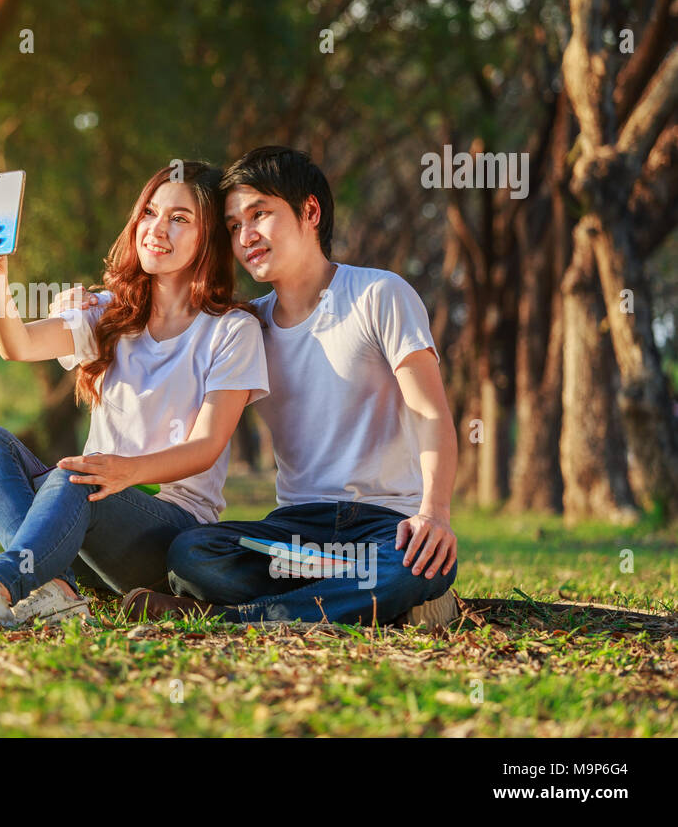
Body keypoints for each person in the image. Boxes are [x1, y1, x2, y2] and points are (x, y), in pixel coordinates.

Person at [68, 147, 460, 627]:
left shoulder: (379, 294)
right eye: (233, 226)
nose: (245, 235)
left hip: (385, 524)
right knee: (193, 553)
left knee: (414, 565)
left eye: (260, 215)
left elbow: (430, 413)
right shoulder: (246, 326)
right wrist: (103, 305)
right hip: (293, 535)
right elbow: (166, 344)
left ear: (310, 212)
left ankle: (235, 618)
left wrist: (434, 514)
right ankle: (353, 598)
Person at [0, 161, 270, 628]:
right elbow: (18, 345)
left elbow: (205, 448)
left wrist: (126, 472)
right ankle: (57, 589)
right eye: (148, 213)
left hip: (167, 532)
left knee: (76, 478)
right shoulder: (108, 313)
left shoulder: (232, 330)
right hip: (82, 520)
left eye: (180, 219)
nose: (156, 229)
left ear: (209, 238)